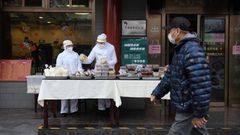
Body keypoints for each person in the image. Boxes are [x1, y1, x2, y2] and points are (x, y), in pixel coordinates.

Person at [150, 17, 211, 135]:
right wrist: (157, 93)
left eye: (170, 31)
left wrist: (200, 113)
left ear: (177, 31)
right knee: (198, 131)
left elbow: (201, 85)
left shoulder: (192, 50)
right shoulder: (181, 49)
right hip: (187, 104)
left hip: (189, 106)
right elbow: (171, 75)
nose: (169, 34)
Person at [80, 33, 117, 111]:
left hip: (108, 72)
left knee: (107, 89)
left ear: (105, 42)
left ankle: (108, 107)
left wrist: (107, 62)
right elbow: (89, 60)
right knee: (100, 89)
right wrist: (83, 60)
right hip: (98, 71)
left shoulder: (111, 47)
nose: (99, 44)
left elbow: (115, 60)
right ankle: (101, 108)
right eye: (98, 43)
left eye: (101, 43)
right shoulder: (95, 48)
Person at [56, 40, 83, 117]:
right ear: (64, 47)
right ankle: (63, 110)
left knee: (74, 93)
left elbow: (79, 65)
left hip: (74, 76)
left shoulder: (76, 54)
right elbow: (58, 66)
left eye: (71, 46)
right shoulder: (60, 55)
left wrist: (79, 72)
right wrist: (64, 72)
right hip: (64, 77)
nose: (70, 47)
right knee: (64, 94)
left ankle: (74, 110)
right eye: (68, 46)